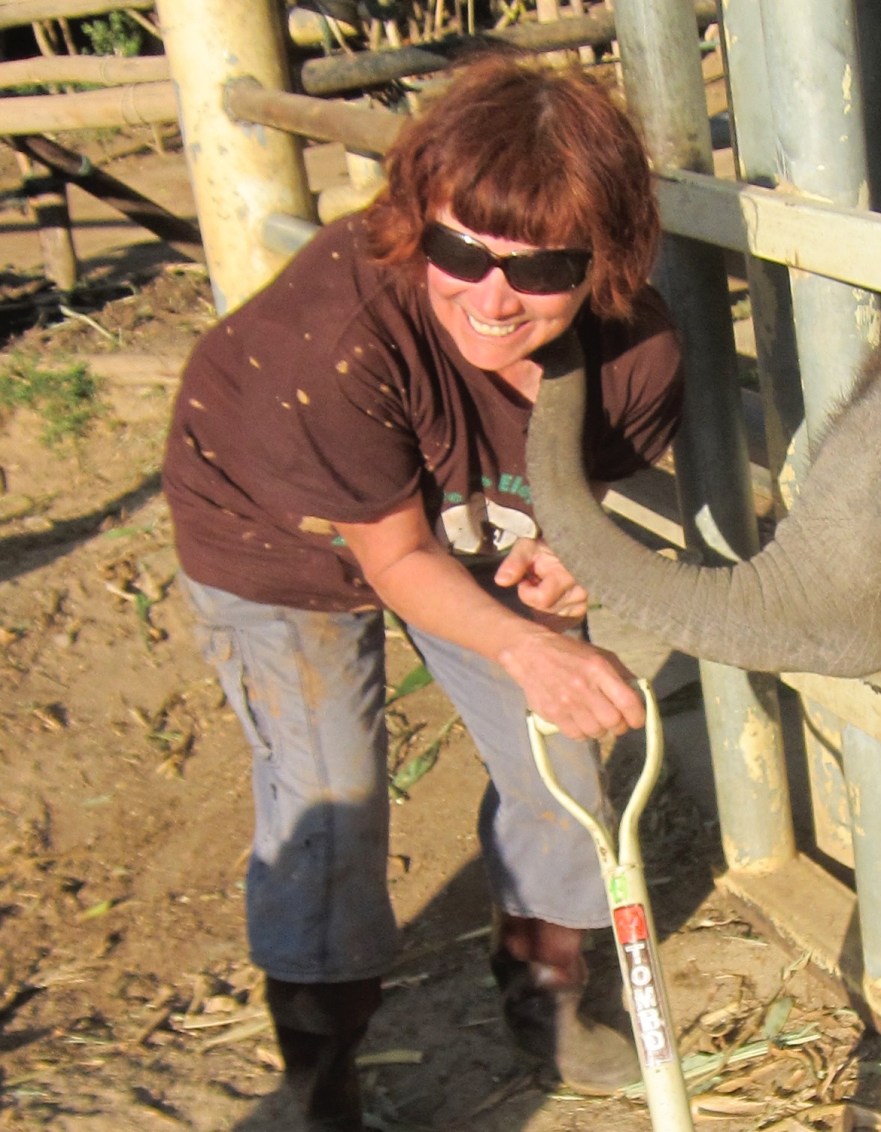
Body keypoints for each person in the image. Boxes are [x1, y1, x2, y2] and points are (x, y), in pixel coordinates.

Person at [162, 51, 683, 1130]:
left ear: (606, 260)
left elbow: (572, 494)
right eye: (460, 250)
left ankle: (545, 990)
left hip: (461, 514)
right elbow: (395, 558)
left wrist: (572, 548)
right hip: (283, 535)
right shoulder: (338, 338)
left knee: (563, 752)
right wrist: (529, 644)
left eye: (543, 269)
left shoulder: (637, 351)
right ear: (416, 221)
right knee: (331, 790)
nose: (492, 298)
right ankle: (321, 1069)